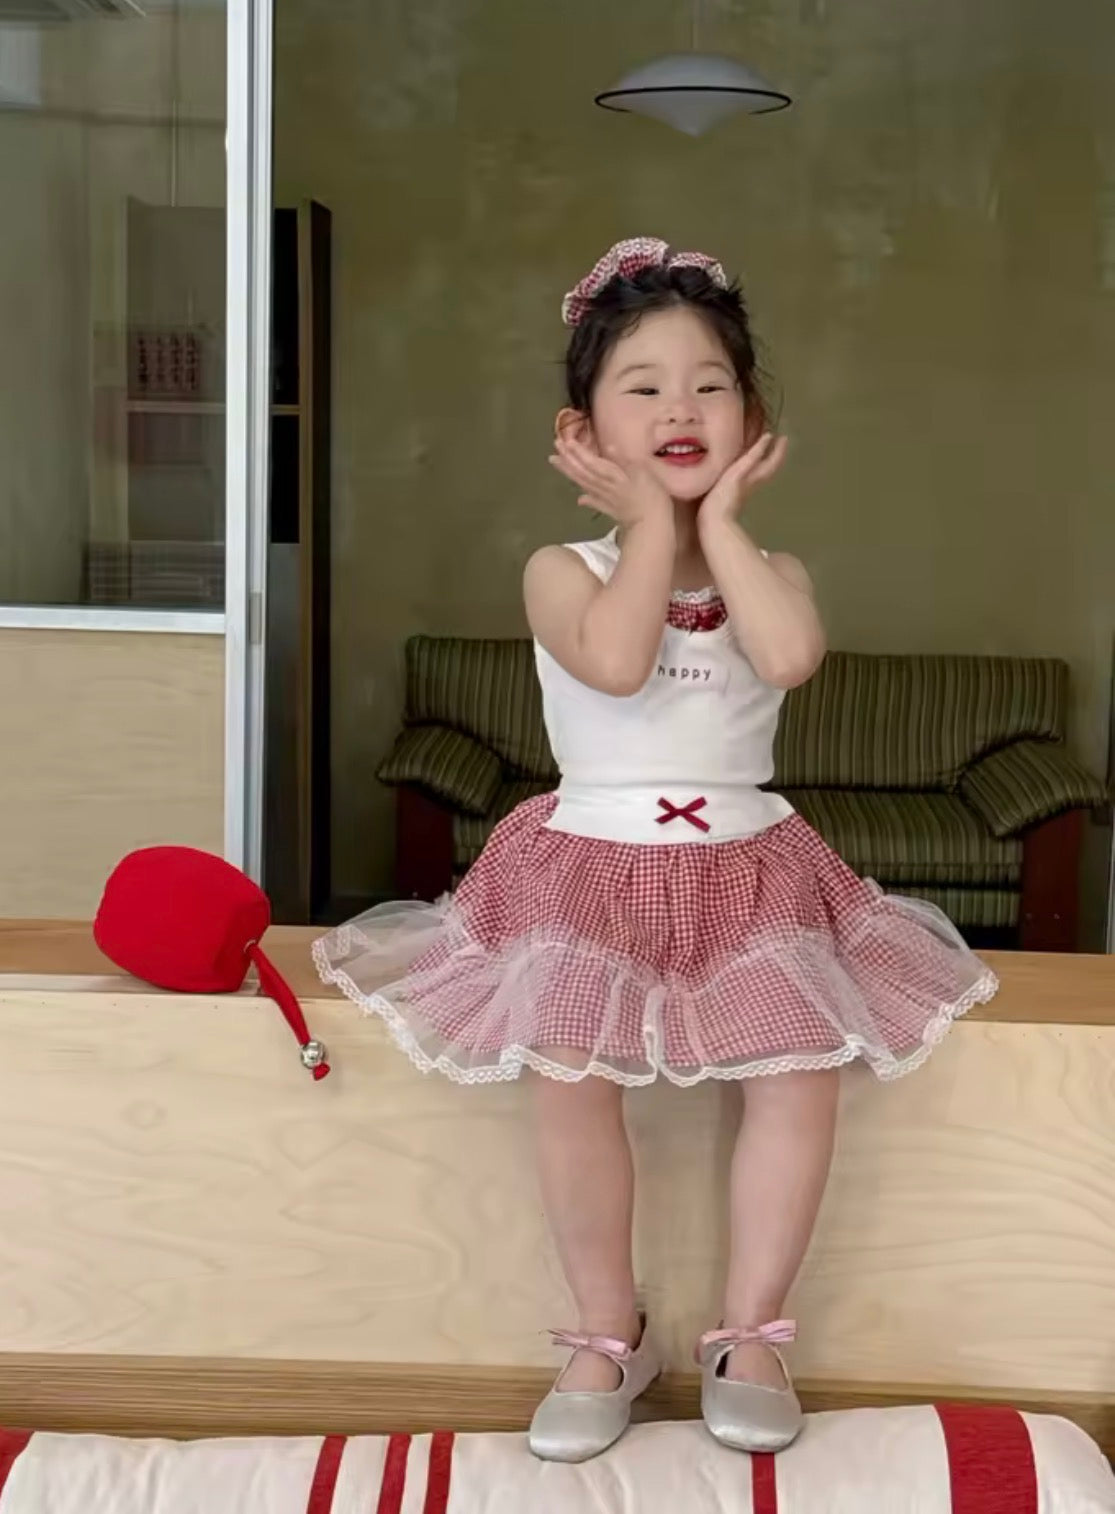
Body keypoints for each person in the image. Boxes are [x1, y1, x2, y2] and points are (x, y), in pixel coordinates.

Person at [313, 236, 998, 1464]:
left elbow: (785, 656)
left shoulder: (770, 566)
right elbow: (621, 660)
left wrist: (718, 517)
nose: (679, 405)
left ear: (751, 416)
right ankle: (600, 1331)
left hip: (751, 862)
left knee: (795, 1079)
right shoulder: (556, 566)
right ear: (583, 428)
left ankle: (751, 1332)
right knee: (573, 1086)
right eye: (642, 385)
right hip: (588, 863)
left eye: (709, 384)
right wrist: (646, 523)